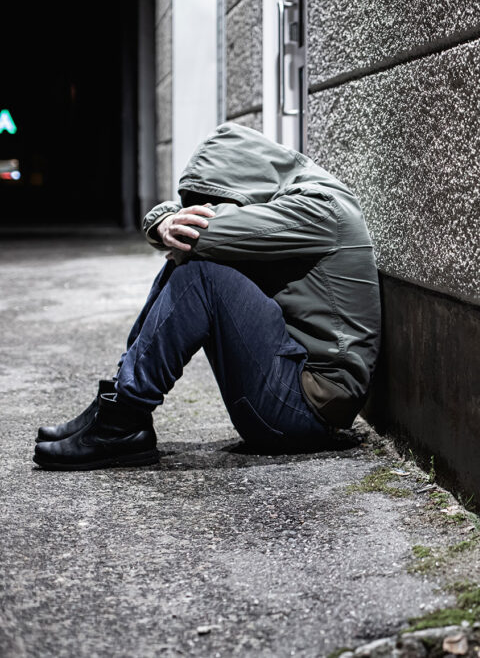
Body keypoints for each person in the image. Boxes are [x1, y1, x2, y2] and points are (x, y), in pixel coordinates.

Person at [33, 123, 381, 470]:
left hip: (306, 410)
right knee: (188, 262)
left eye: (212, 203)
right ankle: (115, 409)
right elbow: (186, 229)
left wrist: (165, 223)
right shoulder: (285, 195)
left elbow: (198, 235)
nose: (207, 210)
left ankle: (122, 419)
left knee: (201, 273)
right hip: (287, 389)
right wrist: (164, 222)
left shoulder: (320, 207)